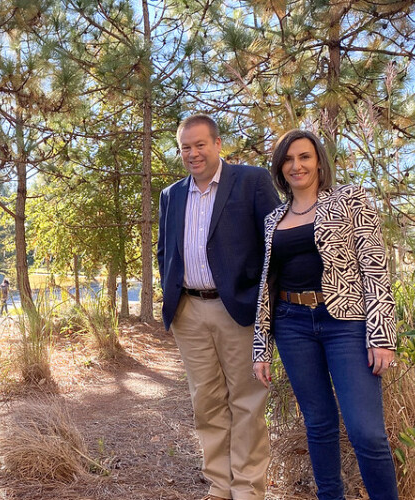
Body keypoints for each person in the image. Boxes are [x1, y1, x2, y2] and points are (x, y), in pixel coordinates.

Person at [252, 129, 398, 500]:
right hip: (292, 325)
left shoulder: (350, 199)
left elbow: (375, 269)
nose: (296, 165)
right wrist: (261, 348)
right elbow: (267, 286)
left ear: (319, 161)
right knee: (319, 424)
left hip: (345, 325)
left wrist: (381, 336)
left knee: (366, 430)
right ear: (279, 167)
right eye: (288, 159)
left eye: (304, 157)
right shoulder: (273, 219)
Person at [157, 114, 281, 500]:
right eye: (185, 148)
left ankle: (246, 488)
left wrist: (263, 303)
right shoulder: (171, 194)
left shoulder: (251, 181)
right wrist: (171, 292)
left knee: (245, 401)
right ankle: (220, 485)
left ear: (217, 144)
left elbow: (274, 245)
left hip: (238, 310)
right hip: (189, 313)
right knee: (206, 402)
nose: (193, 154)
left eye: (200, 145)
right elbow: (165, 249)